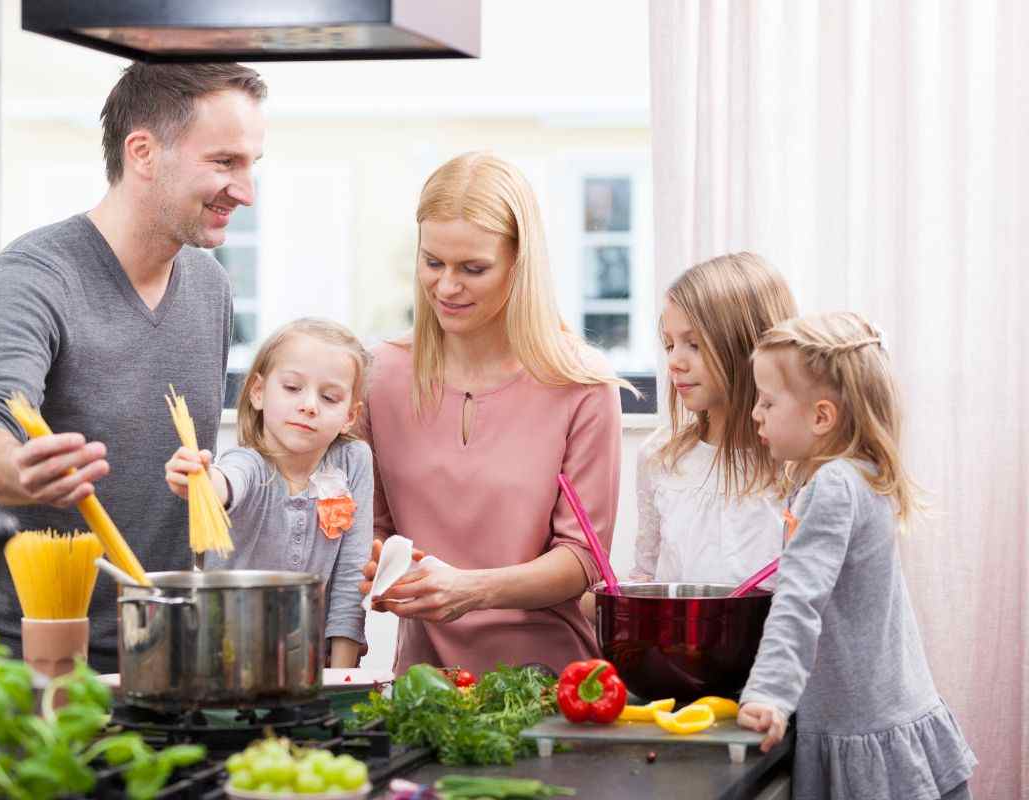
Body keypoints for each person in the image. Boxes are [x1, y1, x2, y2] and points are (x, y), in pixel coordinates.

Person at [0, 62, 267, 671]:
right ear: (143, 152)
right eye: (225, 162)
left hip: (161, 643)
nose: (246, 190)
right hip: (30, 650)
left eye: (253, 164)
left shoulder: (210, 285)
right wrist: (19, 469)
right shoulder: (34, 276)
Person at [357, 152, 629, 677]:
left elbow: (583, 560)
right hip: (425, 686)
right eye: (433, 262)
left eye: (473, 269)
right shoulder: (380, 376)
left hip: (551, 683)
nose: (446, 286)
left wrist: (470, 590)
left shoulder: (581, 385)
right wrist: (375, 567)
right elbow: (375, 530)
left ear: (519, 264)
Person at [738, 312, 976, 799]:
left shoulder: (833, 486)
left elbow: (798, 599)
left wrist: (769, 692)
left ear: (821, 417)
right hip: (890, 715)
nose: (755, 414)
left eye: (766, 402)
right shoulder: (861, 474)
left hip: (861, 730)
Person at [165, 318, 372, 667]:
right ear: (258, 392)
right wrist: (200, 480)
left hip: (314, 670)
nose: (309, 405)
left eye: (329, 397)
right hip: (229, 667)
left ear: (350, 415)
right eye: (292, 388)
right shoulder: (248, 464)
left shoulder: (353, 461)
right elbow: (226, 483)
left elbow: (353, 578)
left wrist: (342, 681)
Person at [630, 253, 797, 586]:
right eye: (669, 344)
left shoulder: (798, 470)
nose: (675, 362)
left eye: (693, 344)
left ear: (748, 345)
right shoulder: (660, 457)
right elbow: (646, 574)